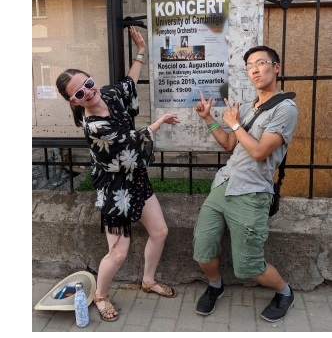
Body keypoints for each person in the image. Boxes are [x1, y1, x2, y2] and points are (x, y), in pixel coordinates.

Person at [56, 26, 180, 322]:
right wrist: (158, 123)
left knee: (160, 232)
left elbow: (127, 84)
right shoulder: (94, 125)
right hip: (114, 188)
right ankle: (100, 295)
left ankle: (148, 281)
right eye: (80, 92)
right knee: (119, 253)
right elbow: (131, 142)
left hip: (134, 176)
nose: (88, 90)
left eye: (88, 82)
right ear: (74, 101)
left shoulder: (108, 95)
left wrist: (140, 52)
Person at [193, 45, 298, 322]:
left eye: (261, 62)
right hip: (224, 185)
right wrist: (209, 119)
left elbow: (259, 151)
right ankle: (216, 285)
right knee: (202, 250)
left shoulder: (285, 109)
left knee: (250, 265)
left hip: (252, 193)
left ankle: (285, 292)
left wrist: (236, 125)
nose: (254, 68)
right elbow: (230, 143)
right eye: (250, 64)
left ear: (276, 67)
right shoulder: (253, 106)